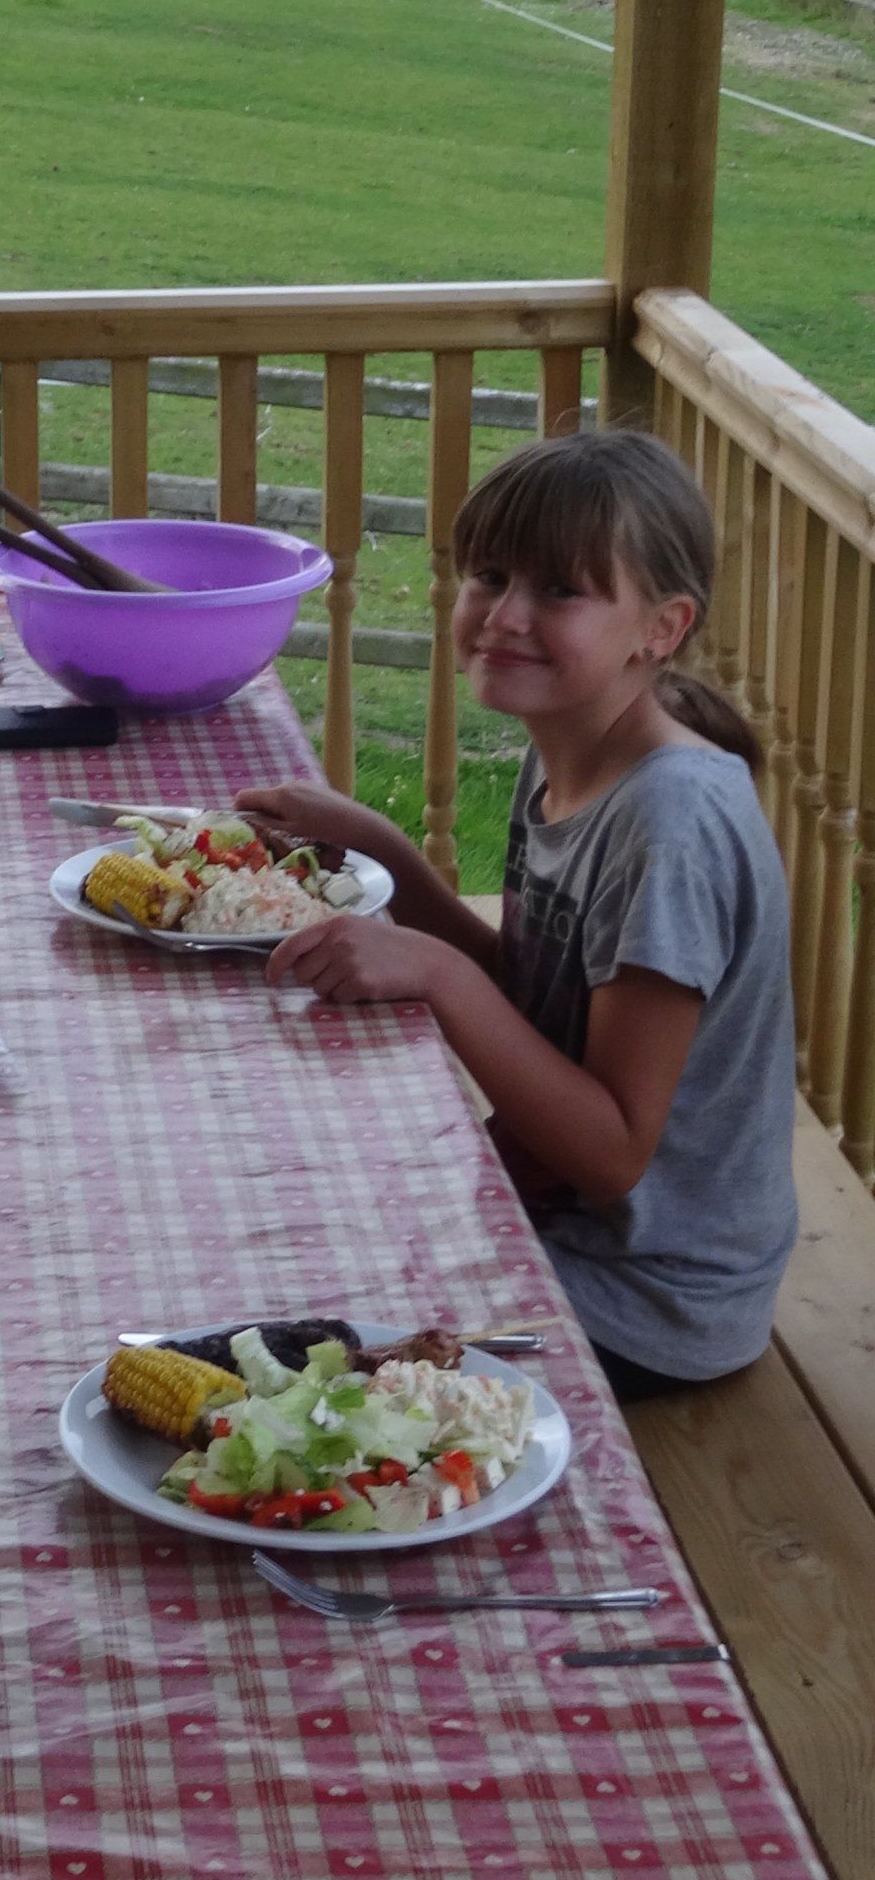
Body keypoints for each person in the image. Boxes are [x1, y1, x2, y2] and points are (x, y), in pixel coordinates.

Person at [238, 428, 796, 1399]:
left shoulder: (670, 824)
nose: (505, 614)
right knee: (267, 1196)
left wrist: (439, 973)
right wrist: (383, 847)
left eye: (560, 590)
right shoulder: (569, 745)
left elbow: (616, 1151)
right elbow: (541, 999)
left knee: (282, 1352)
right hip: (561, 1217)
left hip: (649, 1295)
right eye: (489, 575)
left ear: (660, 627)